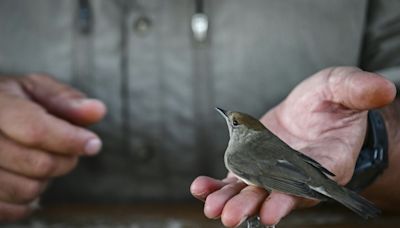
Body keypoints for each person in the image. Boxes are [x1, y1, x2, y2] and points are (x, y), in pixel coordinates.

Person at [0, 0, 399, 226]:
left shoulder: (237, 157)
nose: (228, 120)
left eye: (233, 121)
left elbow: (281, 176)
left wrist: (372, 139)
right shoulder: (245, 150)